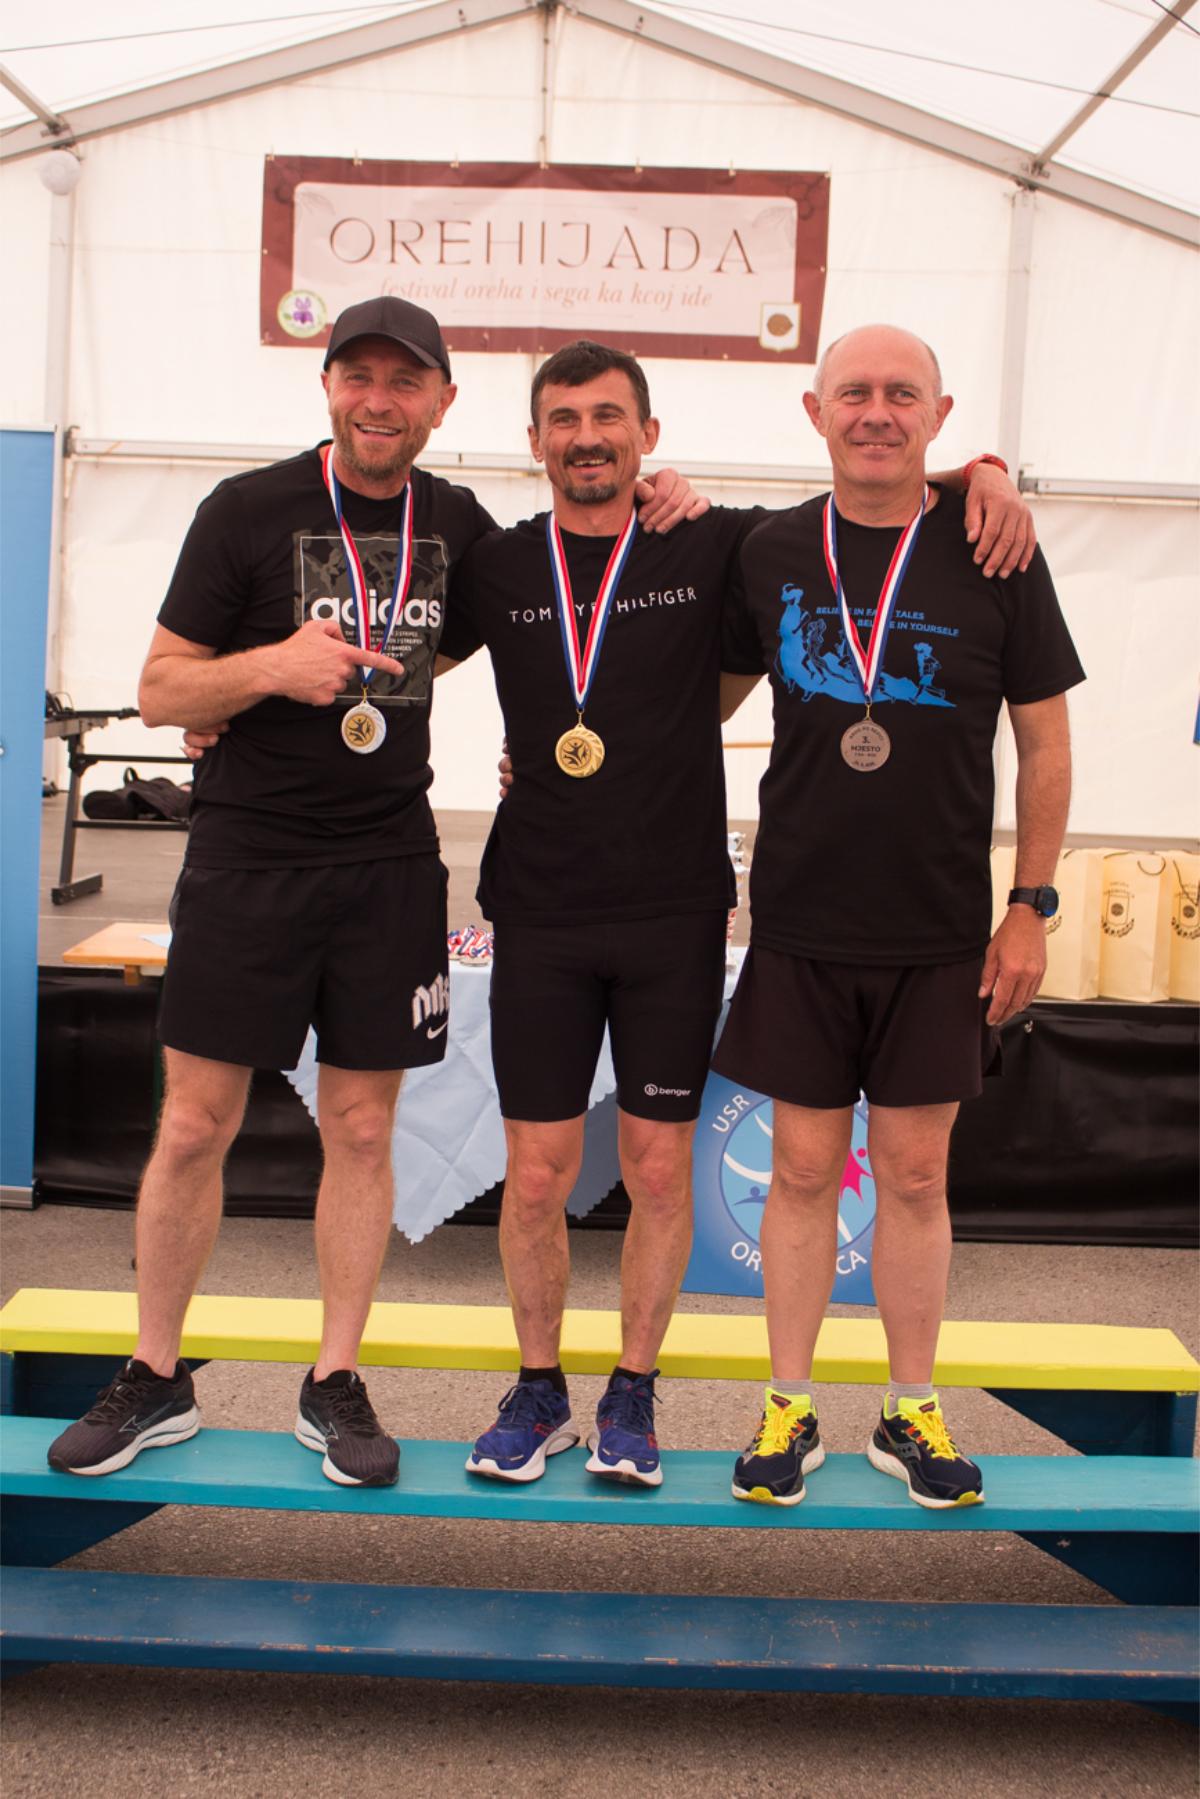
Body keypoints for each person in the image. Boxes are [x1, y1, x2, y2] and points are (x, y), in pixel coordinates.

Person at [45, 299, 698, 1489]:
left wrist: (667, 497)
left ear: (443, 401)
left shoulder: (464, 528)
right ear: (329, 389)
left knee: (359, 1128)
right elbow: (162, 687)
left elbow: (561, 599)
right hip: (247, 858)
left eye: (405, 382)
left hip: (389, 864)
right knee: (193, 1122)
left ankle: (333, 1379)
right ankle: (155, 1372)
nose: (379, 401)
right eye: (359, 377)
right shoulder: (245, 509)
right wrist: (267, 670)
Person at [436, 338, 1038, 1489]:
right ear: (535, 440)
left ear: (649, 435)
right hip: (541, 908)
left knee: (660, 1172)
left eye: (609, 416)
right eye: (564, 419)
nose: (587, 437)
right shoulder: (498, 563)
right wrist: (239, 705)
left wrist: (986, 473)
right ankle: (539, 1386)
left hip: (674, 908)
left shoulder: (719, 542)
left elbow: (874, 482)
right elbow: (394, 648)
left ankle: (634, 1391)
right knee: (535, 1173)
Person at [715, 323, 1085, 1510]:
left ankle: (910, 1407)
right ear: (814, 410)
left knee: (918, 1176)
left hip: (939, 929)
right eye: (856, 393)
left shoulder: (995, 546)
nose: (877, 412)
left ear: (939, 412)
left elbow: (1045, 743)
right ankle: (788, 1403)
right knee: (802, 1168)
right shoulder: (768, 550)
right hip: (803, 921)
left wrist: (1029, 904)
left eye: (902, 394)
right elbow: (692, 697)